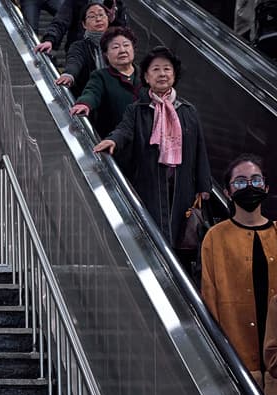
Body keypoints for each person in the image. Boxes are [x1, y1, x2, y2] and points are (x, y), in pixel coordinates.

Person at [94, 46, 212, 248]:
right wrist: (113, 140)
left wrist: (204, 186)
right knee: (153, 233)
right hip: (149, 183)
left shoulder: (188, 110)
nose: (162, 74)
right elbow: (124, 130)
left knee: (180, 233)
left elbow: (200, 150)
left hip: (182, 184)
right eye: (156, 69)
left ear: (174, 75)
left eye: (167, 69)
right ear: (147, 77)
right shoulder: (138, 109)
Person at [200, 154, 277, 395]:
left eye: (255, 180)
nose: (250, 186)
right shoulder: (215, 237)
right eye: (240, 182)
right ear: (228, 192)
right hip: (240, 364)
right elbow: (210, 299)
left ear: (265, 187)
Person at [69, 26, 142, 138]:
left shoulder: (147, 75)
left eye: (126, 45)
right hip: (114, 143)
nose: (122, 50)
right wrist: (84, 103)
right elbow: (92, 92)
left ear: (133, 49)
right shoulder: (101, 76)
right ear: (106, 54)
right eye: (115, 47)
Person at [55, 1, 110, 97]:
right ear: (84, 24)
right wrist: (69, 74)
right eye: (92, 16)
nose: (98, 19)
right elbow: (74, 60)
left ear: (108, 19)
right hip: (87, 99)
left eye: (101, 15)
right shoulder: (79, 46)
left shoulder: (116, 44)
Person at [34, 0, 127, 53]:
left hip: (108, 53)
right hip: (79, 51)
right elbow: (61, 20)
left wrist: (113, 20)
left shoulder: (116, 3)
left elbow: (124, 31)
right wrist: (50, 39)